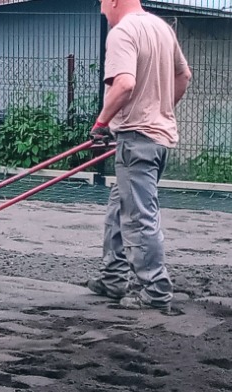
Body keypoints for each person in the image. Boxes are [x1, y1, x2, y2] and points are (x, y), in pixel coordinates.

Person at [87, 0, 190, 315]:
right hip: (155, 139)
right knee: (118, 210)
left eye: (104, 2)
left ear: (115, 0)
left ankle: (155, 290)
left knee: (138, 218)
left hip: (137, 141)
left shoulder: (123, 31)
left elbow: (125, 84)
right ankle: (113, 277)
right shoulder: (161, 28)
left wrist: (101, 123)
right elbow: (184, 76)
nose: (103, 9)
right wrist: (160, 111)